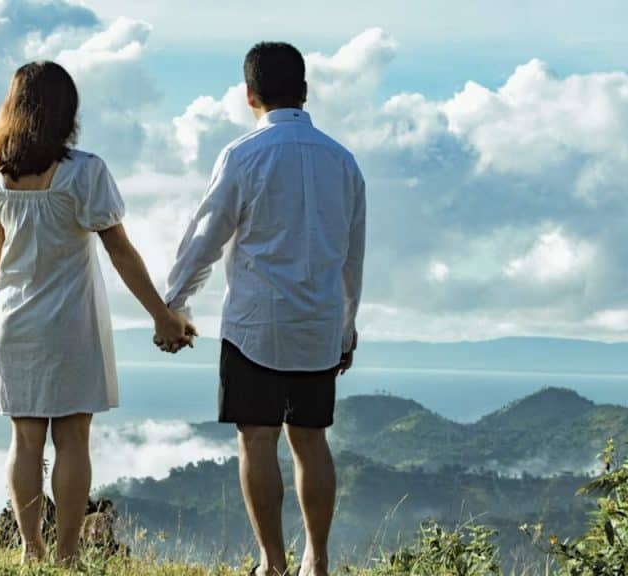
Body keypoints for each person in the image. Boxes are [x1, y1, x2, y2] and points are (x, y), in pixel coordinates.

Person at [0, 61, 194, 567]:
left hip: (13, 319)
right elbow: (120, 251)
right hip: (71, 321)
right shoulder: (84, 172)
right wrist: (163, 316)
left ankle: (31, 550)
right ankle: (68, 555)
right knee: (72, 437)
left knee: (25, 440)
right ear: (66, 112)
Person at [163, 42, 366, 576]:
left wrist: (174, 304)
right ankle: (317, 562)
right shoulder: (343, 162)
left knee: (257, 440)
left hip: (255, 324)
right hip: (319, 324)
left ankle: (272, 565)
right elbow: (352, 255)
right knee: (311, 441)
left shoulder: (243, 155)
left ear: (249, 94)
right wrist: (347, 327)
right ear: (304, 90)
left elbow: (206, 236)